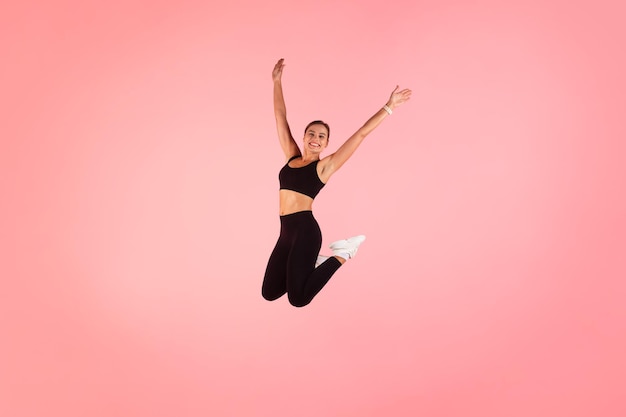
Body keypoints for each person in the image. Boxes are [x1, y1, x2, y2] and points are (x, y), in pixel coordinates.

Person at [262, 58, 411, 307]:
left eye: (322, 136)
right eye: (311, 133)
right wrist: (277, 81)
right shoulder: (292, 156)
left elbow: (361, 133)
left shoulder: (324, 167)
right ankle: (311, 263)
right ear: (304, 136)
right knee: (270, 292)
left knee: (298, 299)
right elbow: (280, 116)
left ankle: (343, 254)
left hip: (305, 232)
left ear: (327, 144)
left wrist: (389, 106)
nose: (315, 138)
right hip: (285, 232)